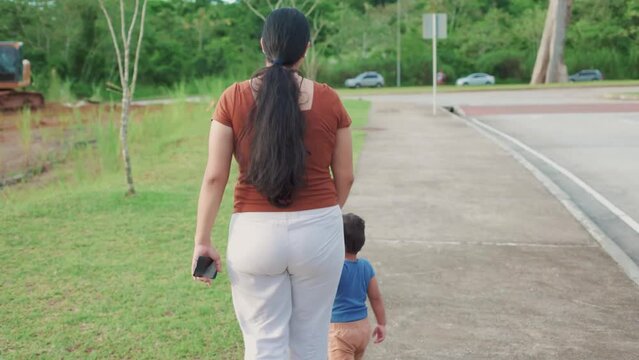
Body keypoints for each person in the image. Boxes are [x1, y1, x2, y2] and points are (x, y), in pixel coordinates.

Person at [191, 7, 355, 360]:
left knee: (264, 345)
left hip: (254, 234)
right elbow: (345, 176)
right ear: (306, 48)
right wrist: (321, 216)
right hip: (319, 233)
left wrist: (202, 240)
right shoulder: (329, 99)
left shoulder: (232, 98)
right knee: (311, 343)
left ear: (263, 44)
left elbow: (215, 176)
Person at [328, 213, 386, 360]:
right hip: (363, 328)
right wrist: (382, 324)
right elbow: (376, 297)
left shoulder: (335, 268)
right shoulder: (366, 266)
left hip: (340, 331)